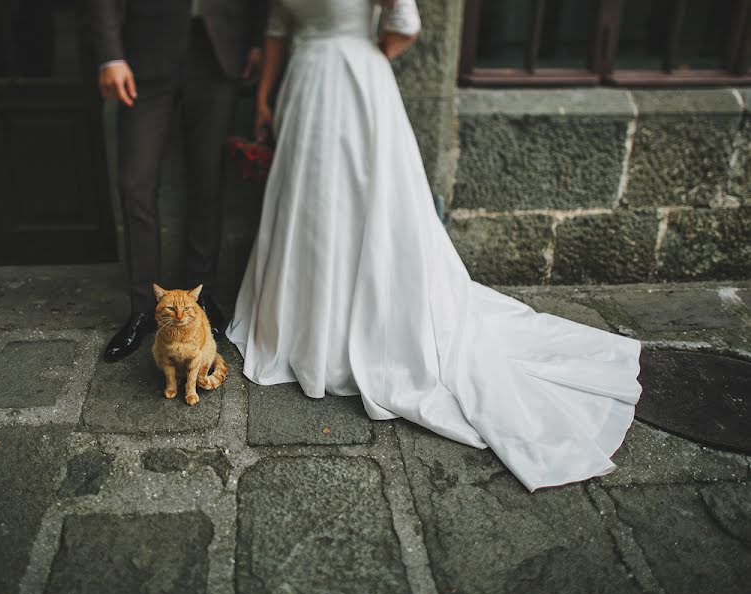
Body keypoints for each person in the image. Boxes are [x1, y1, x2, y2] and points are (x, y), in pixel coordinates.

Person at [226, 0, 643, 491]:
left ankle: (341, 331)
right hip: (315, 81)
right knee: (310, 206)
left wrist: (357, 54)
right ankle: (306, 327)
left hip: (353, 84)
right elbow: (286, 25)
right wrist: (266, 94)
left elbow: (403, 25)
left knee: (363, 208)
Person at [87, 0, 268, 361]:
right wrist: (110, 56)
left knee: (208, 181)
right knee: (134, 183)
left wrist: (256, 41)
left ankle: (200, 301)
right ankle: (141, 309)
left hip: (221, 50)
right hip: (143, 52)